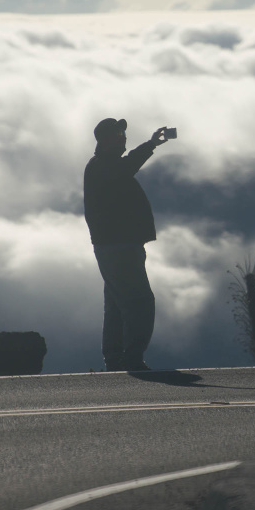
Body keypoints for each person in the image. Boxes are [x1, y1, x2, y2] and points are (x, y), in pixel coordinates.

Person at [84, 118, 172, 372]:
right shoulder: (102, 167)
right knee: (139, 302)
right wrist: (151, 145)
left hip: (116, 247)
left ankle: (115, 358)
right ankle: (132, 358)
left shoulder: (103, 166)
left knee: (116, 304)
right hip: (118, 248)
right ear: (107, 139)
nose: (124, 137)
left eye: (124, 132)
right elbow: (127, 167)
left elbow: (126, 165)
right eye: (119, 133)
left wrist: (152, 143)